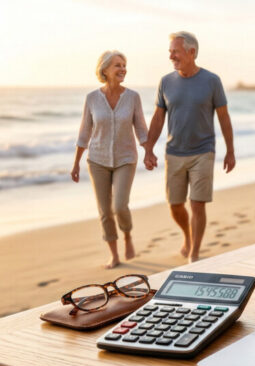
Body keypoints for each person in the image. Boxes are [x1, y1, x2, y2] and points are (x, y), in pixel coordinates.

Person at [143, 31, 235, 263]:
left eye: (175, 51)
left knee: (197, 204)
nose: (171, 56)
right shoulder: (165, 82)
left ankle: (194, 253)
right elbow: (158, 117)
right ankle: (187, 235)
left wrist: (230, 151)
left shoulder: (212, 81)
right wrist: (148, 148)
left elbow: (224, 117)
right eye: (170, 52)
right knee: (175, 205)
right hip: (174, 152)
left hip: (203, 151)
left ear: (191, 52)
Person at [71, 50, 148, 269]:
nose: (123, 69)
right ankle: (114, 255)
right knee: (105, 212)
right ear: (104, 70)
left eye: (124, 65)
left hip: (126, 158)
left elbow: (141, 128)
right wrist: (76, 163)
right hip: (97, 160)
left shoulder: (133, 97)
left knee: (120, 206)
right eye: (117, 65)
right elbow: (84, 132)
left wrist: (148, 152)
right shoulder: (92, 99)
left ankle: (127, 234)